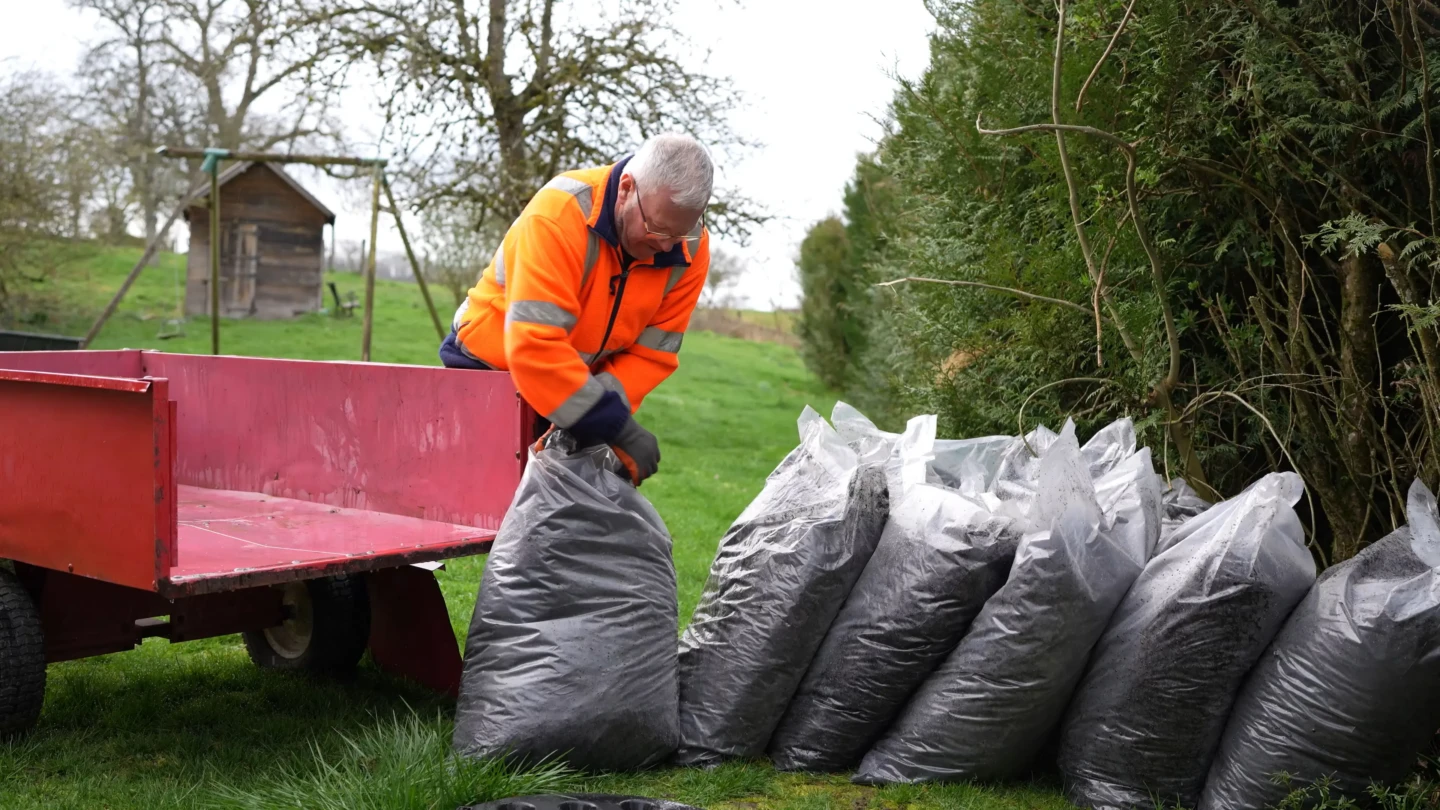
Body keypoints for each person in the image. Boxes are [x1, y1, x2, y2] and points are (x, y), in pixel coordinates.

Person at [438, 133, 713, 485]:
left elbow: (650, 356)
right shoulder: (560, 211)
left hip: (574, 385)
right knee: (480, 515)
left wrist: (593, 422)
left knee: (557, 528)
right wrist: (611, 424)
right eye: (656, 228)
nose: (665, 246)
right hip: (488, 374)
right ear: (627, 188)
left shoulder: (692, 250)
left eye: (680, 234)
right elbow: (535, 345)